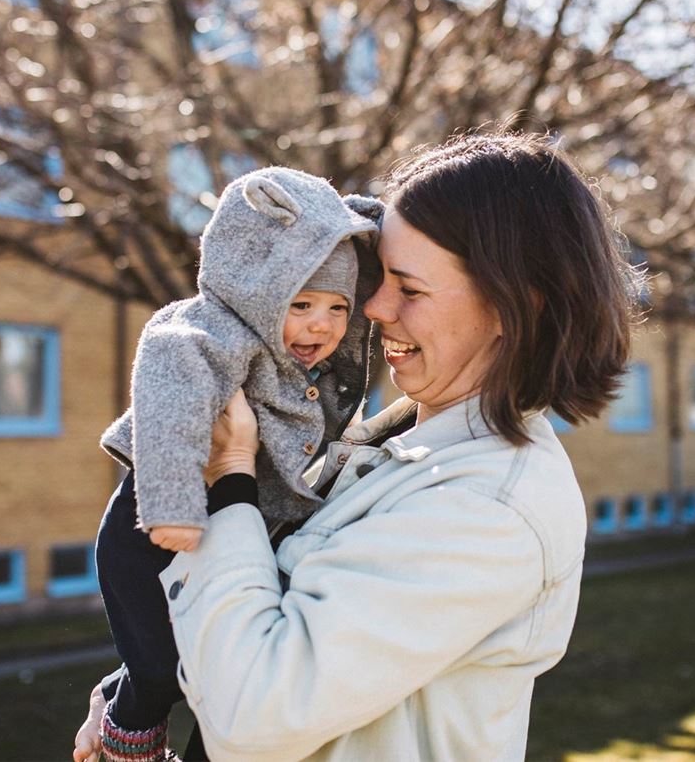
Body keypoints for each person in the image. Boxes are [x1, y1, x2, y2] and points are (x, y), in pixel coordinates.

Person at [120, 130, 639, 762]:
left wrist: (229, 477)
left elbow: (256, 711)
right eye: (377, 276)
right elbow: (263, 610)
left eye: (408, 288)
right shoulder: (392, 446)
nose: (374, 306)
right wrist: (139, 693)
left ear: (515, 306)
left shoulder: (485, 508)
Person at [75, 167, 382, 762]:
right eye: (302, 303)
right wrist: (172, 506)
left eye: (338, 307)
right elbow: (169, 398)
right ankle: (127, 743)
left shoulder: (304, 369)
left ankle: (123, 696)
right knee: (161, 672)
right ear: (255, 287)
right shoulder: (203, 333)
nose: (321, 324)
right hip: (153, 531)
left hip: (227, 533)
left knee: (202, 663)